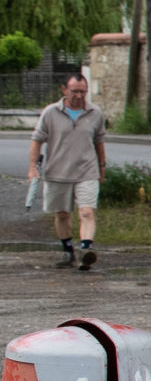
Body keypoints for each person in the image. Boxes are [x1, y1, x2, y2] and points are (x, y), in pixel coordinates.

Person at [27, 72, 109, 269]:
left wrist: (102, 168)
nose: (79, 96)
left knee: (87, 211)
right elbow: (37, 140)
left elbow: (99, 142)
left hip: (87, 171)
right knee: (62, 214)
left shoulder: (95, 113)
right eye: (75, 91)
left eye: (83, 92)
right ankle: (68, 251)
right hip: (58, 172)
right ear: (64, 90)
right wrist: (32, 168)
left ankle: (86, 250)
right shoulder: (51, 112)